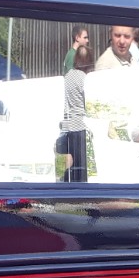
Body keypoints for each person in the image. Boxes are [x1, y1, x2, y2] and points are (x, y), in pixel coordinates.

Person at [59, 44, 91, 181]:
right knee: (81, 167)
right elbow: (89, 104)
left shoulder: (66, 77)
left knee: (68, 167)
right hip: (80, 126)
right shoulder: (85, 79)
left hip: (66, 126)